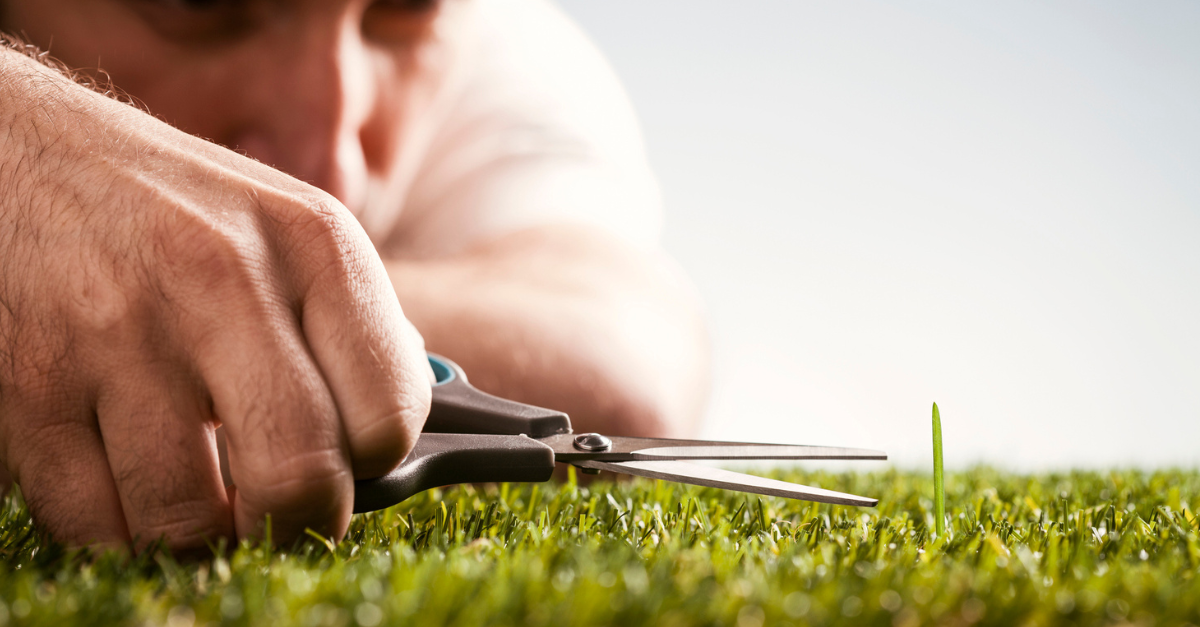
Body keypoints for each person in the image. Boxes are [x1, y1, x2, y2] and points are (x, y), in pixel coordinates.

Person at [0, 0, 708, 552]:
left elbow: (619, 367)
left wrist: (205, 292)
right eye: (197, 2)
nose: (331, 163)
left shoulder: (509, 53)